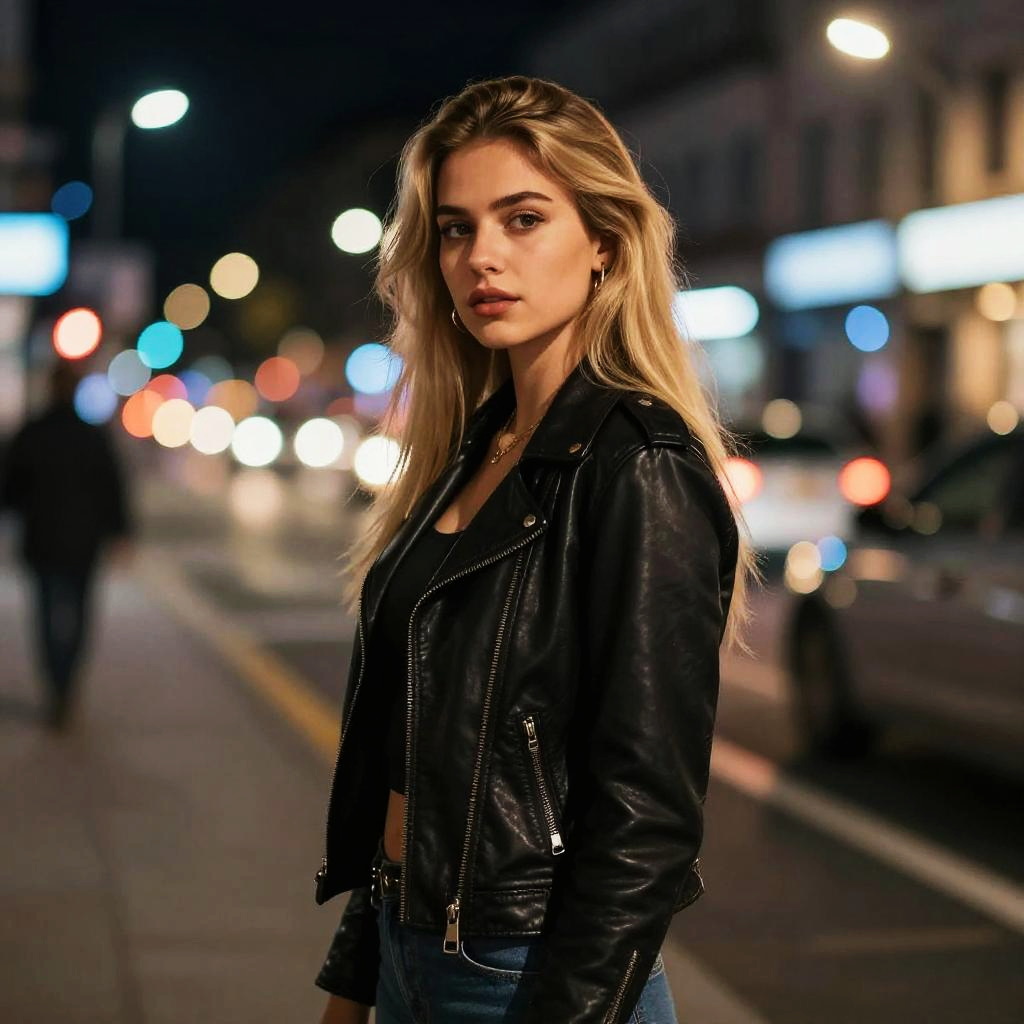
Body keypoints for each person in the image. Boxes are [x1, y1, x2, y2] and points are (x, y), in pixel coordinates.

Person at [313, 75, 758, 1024]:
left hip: (530, 979)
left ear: (602, 241)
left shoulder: (638, 465)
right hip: (408, 947)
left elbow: (647, 823)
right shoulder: (473, 449)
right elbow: (418, 753)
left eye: (523, 219)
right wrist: (357, 975)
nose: (484, 258)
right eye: (456, 228)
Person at [0, 360, 133, 728]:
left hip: (41, 540)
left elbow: (10, 490)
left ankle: (54, 684)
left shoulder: (31, 433)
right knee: (79, 613)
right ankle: (67, 686)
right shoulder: (92, 436)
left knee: (45, 615)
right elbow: (113, 488)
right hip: (83, 543)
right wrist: (121, 533)